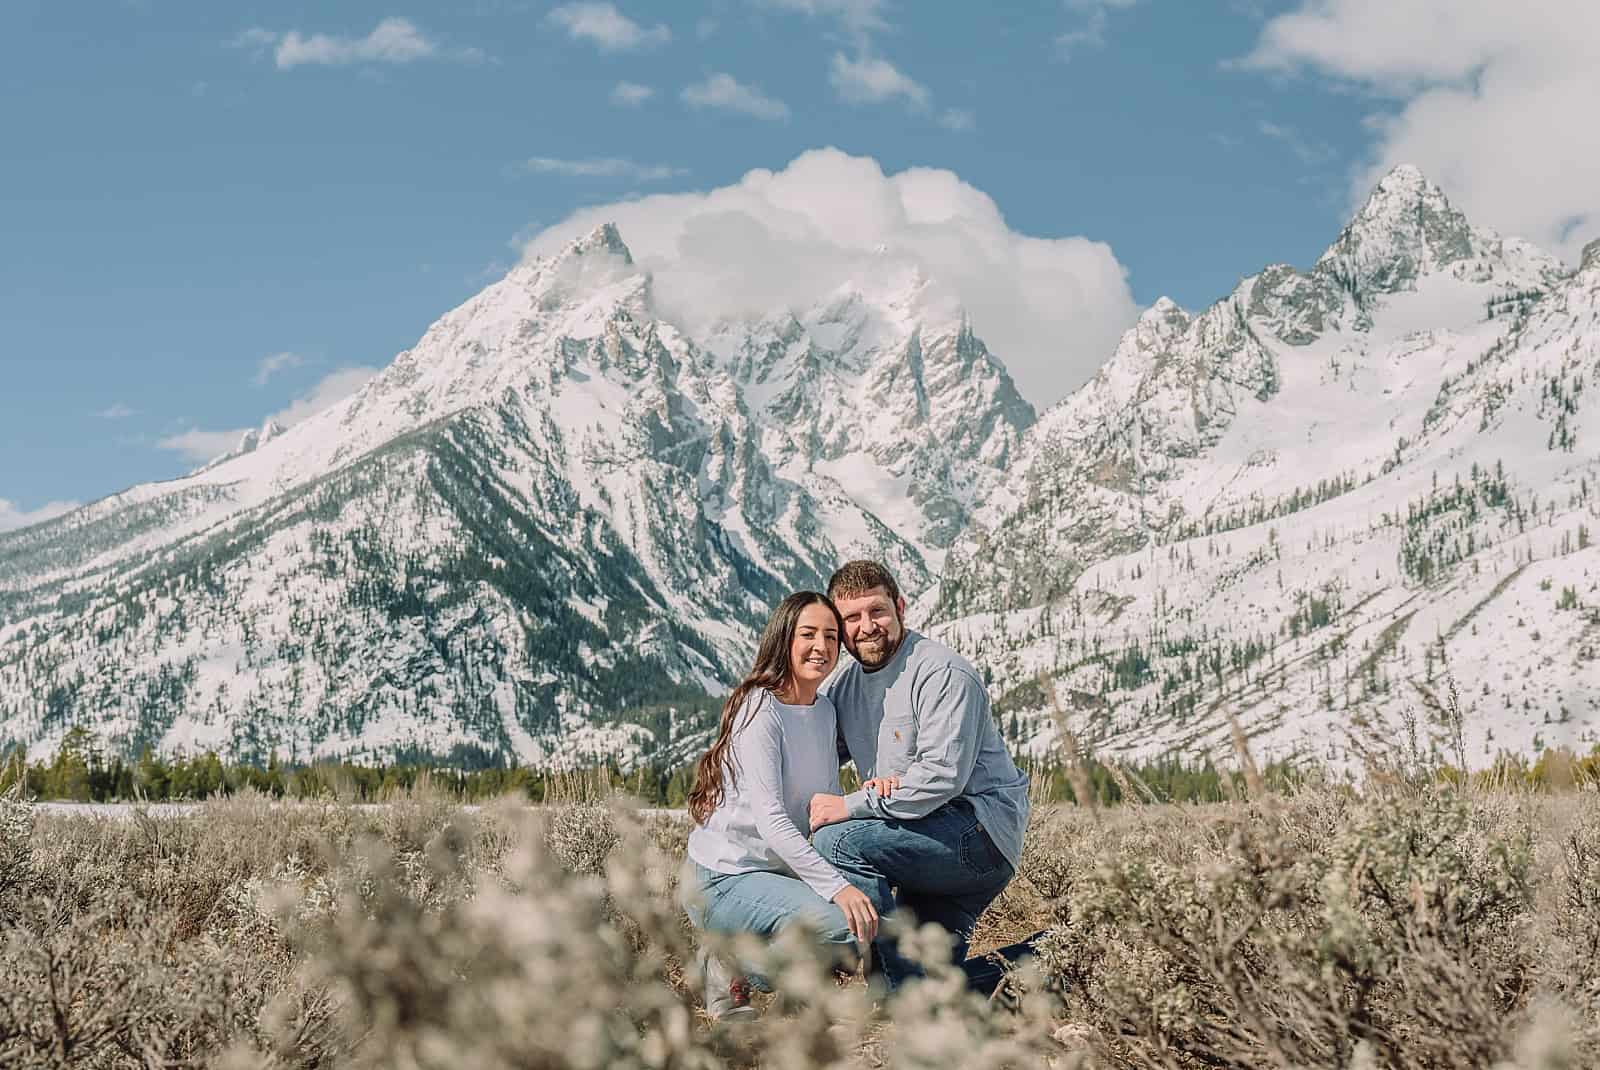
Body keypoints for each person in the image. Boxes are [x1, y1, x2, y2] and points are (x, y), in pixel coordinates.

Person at [809, 560, 1045, 995]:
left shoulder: (941, 673)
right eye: (852, 618)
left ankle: (864, 971)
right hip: (920, 837)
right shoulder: (845, 688)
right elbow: (814, 754)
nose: (867, 626)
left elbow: (941, 778)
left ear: (900, 607)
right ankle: (1054, 958)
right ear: (839, 629)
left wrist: (851, 804)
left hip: (974, 835)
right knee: (918, 995)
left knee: (835, 840)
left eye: (877, 611)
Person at [679, 591, 881, 1022]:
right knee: (846, 923)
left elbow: (820, 807)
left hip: (773, 875)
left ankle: (792, 986)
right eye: (808, 634)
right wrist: (837, 887)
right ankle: (727, 959)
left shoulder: (824, 711)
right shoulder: (759, 708)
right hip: (725, 875)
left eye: (830, 636)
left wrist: (872, 795)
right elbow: (772, 821)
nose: (821, 647)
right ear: (784, 639)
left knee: (863, 918)